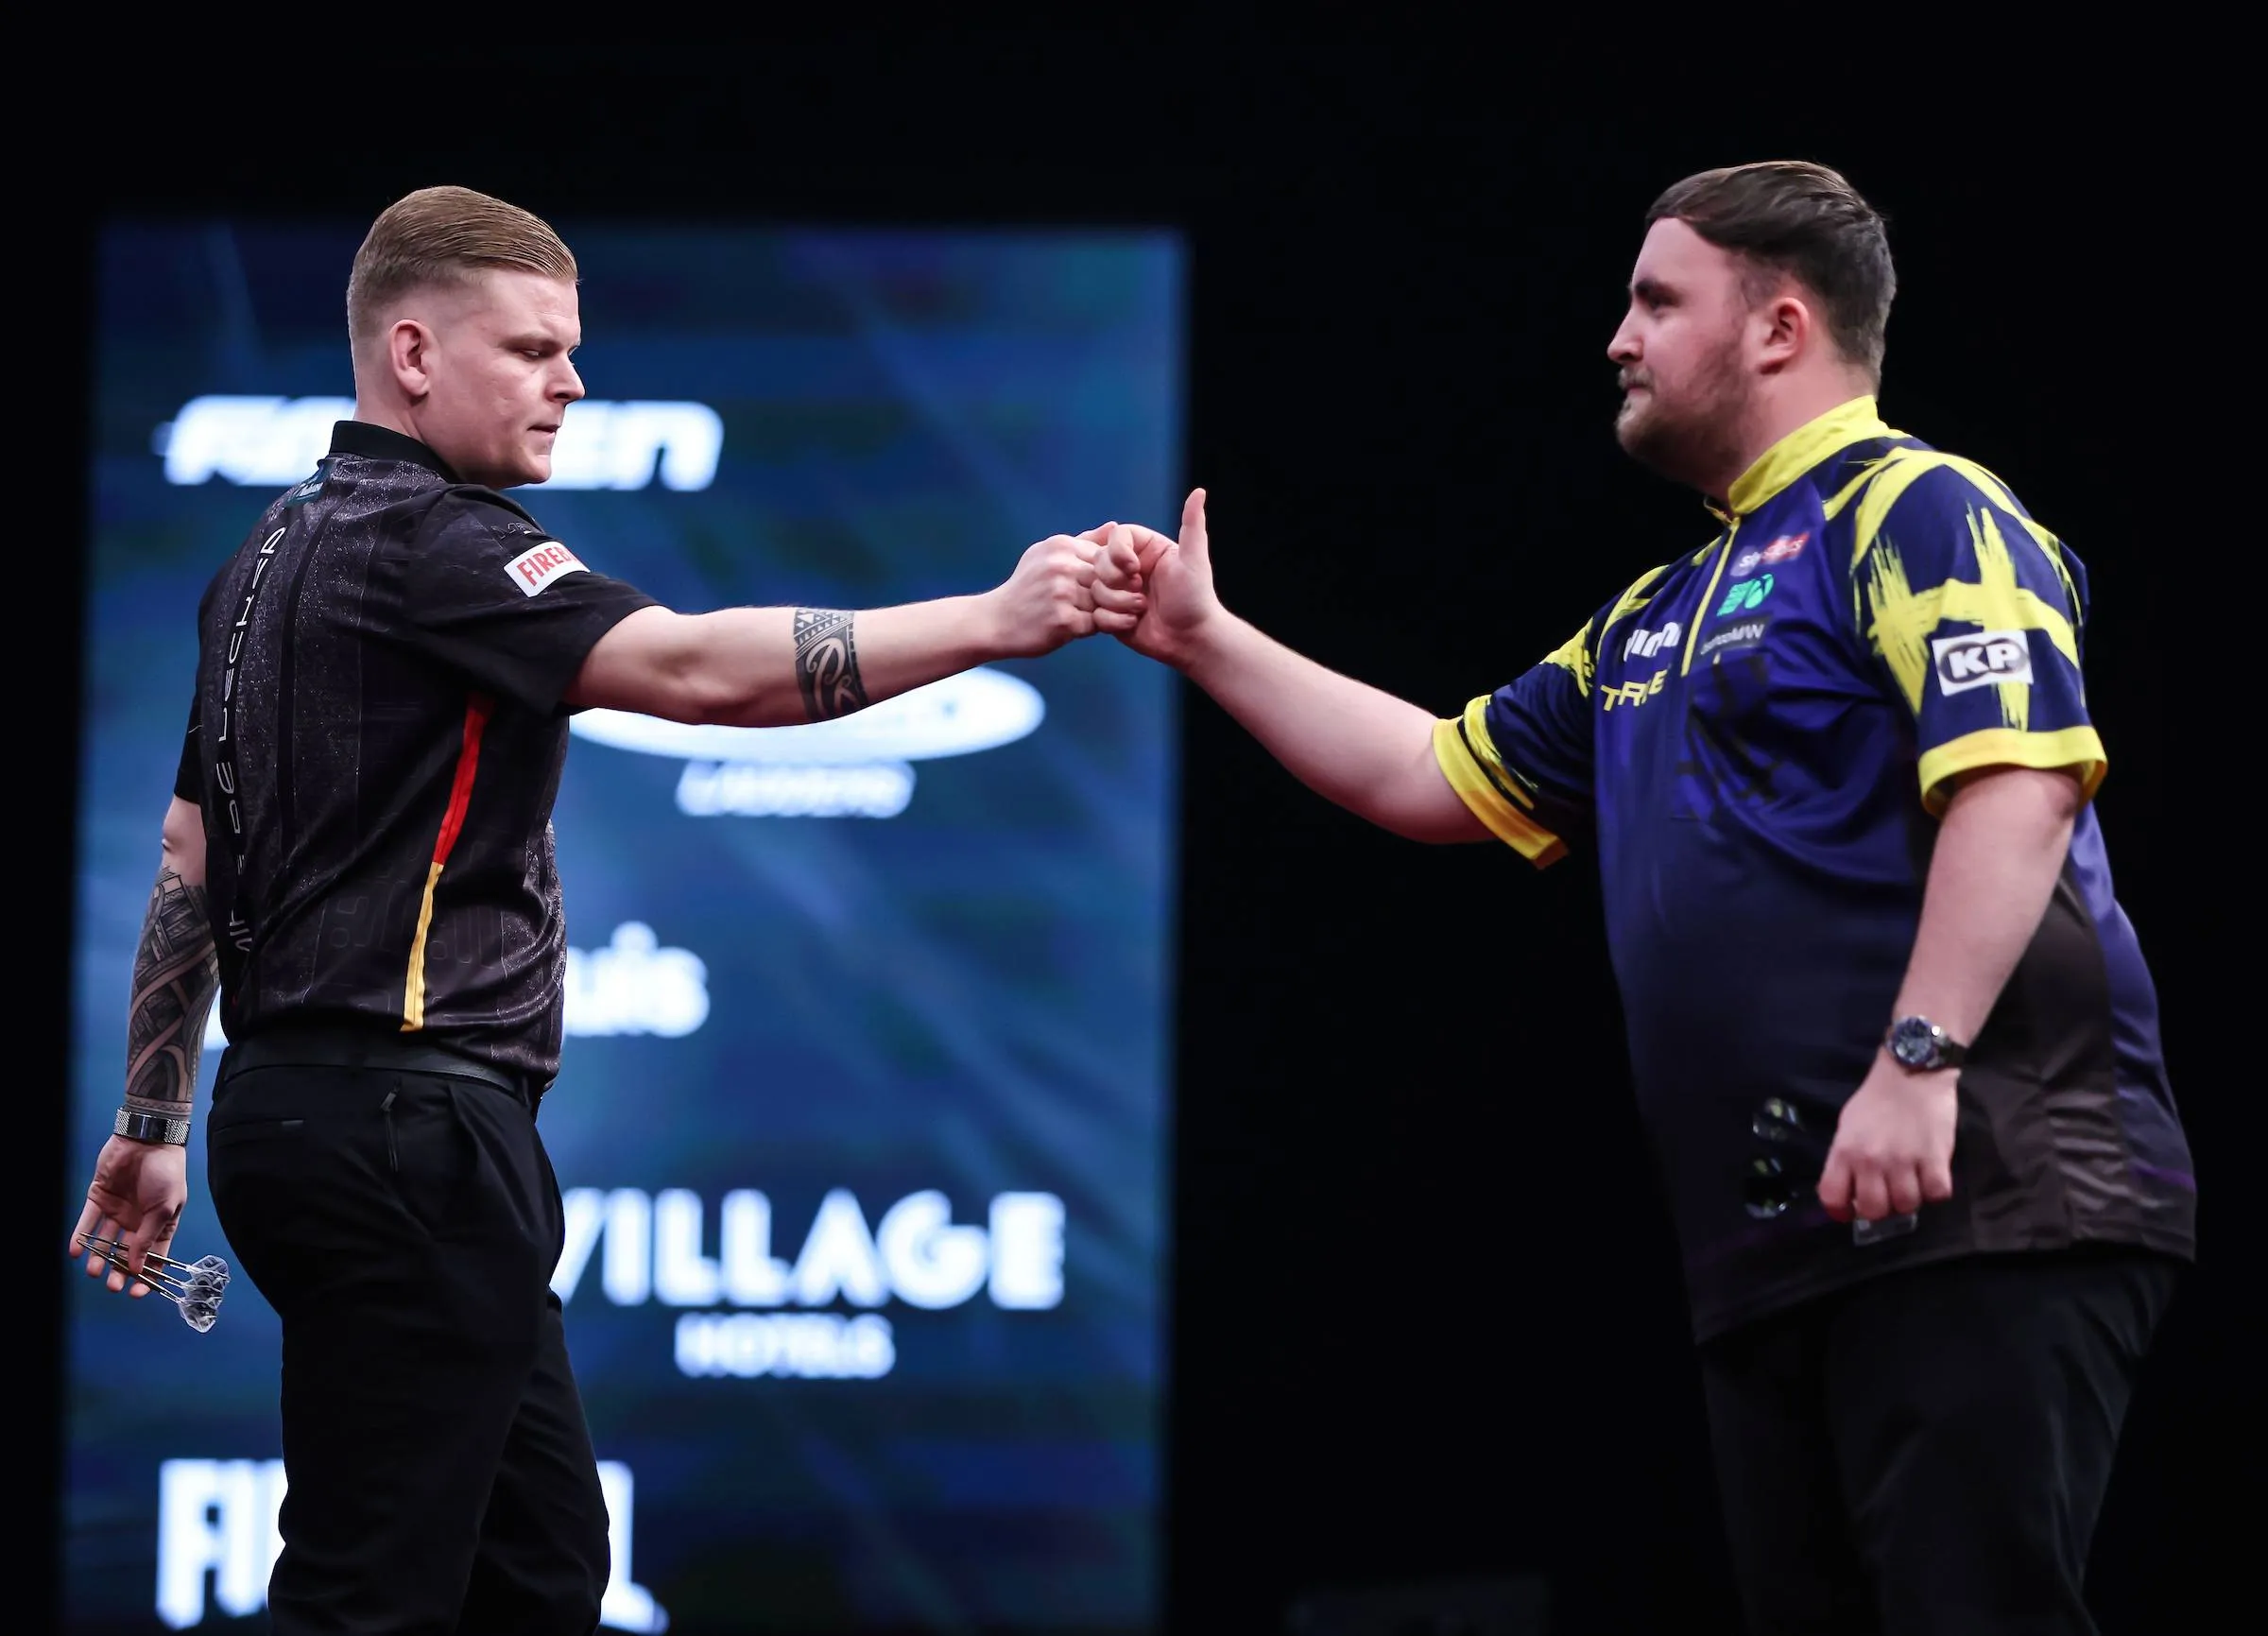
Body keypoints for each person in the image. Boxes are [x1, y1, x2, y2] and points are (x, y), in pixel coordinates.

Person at [1092, 161, 2194, 1635]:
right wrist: (1205, 638)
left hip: (1981, 1192)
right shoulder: (1655, 615)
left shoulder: (1924, 511)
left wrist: (1919, 1058)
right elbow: (1431, 773)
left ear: (1780, 328)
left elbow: (2019, 784)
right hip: (1776, 1242)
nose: (1618, 337)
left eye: (1657, 301)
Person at [68, 184, 1145, 1636]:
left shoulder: (258, 560)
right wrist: (997, 619)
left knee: (541, 1570)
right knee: (368, 1596)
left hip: (307, 1114)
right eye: (531, 349)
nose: (571, 380)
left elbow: (191, 855)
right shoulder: (441, 543)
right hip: (408, 1135)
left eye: (569, 348)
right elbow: (700, 672)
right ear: (411, 353)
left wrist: (148, 1124)